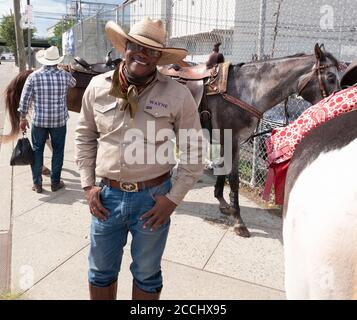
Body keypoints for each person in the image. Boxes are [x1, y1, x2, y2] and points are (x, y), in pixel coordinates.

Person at [74, 17, 204, 300]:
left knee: (147, 275)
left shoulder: (177, 94)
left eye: (151, 51)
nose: (142, 54)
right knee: (100, 271)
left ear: (159, 57)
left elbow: (195, 150)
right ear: (125, 47)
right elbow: (84, 137)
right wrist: (87, 186)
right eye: (136, 46)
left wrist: (172, 199)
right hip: (105, 197)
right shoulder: (97, 87)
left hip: (153, 200)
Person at [19, 46, 76, 193]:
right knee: (58, 151)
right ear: (57, 61)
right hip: (59, 121)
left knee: (37, 151)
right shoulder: (64, 75)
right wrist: (68, 71)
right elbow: (74, 83)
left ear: (43, 60)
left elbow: (24, 99)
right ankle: (55, 183)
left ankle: (37, 184)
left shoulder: (34, 76)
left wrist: (22, 118)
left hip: (39, 121)